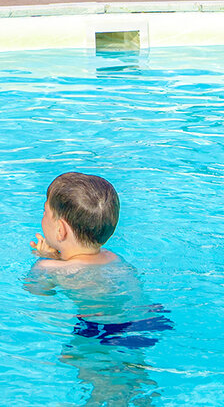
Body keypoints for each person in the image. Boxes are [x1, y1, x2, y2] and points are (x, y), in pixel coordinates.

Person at [27, 171, 172, 406]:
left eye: (45, 212)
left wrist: (45, 259)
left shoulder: (48, 268)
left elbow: (37, 290)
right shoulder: (114, 258)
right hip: (142, 320)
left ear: (61, 230)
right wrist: (58, 256)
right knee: (135, 377)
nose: (42, 217)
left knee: (102, 389)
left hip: (101, 331)